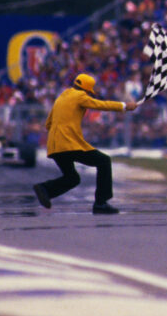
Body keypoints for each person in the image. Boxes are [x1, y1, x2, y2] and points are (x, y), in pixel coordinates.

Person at [33, 73, 138, 214]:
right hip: (69, 143)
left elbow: (48, 124)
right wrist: (124, 106)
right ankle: (101, 203)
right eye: (89, 92)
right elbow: (100, 104)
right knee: (104, 161)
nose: (88, 94)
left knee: (72, 178)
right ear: (86, 89)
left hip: (54, 146)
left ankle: (45, 189)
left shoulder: (62, 96)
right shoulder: (80, 96)